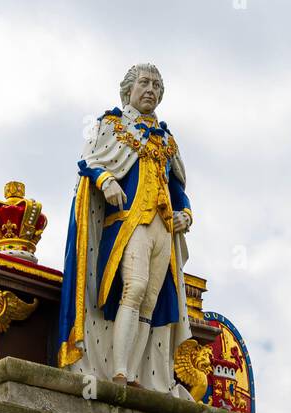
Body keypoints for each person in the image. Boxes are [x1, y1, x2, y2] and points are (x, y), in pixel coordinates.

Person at [58, 63, 193, 393]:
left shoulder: (165, 139)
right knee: (134, 288)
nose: (151, 89)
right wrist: (105, 181)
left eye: (157, 86)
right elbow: (90, 161)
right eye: (145, 83)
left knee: (150, 300)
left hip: (163, 227)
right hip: (130, 222)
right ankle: (117, 369)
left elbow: (177, 188)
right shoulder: (113, 125)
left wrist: (186, 214)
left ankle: (134, 374)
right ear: (129, 90)